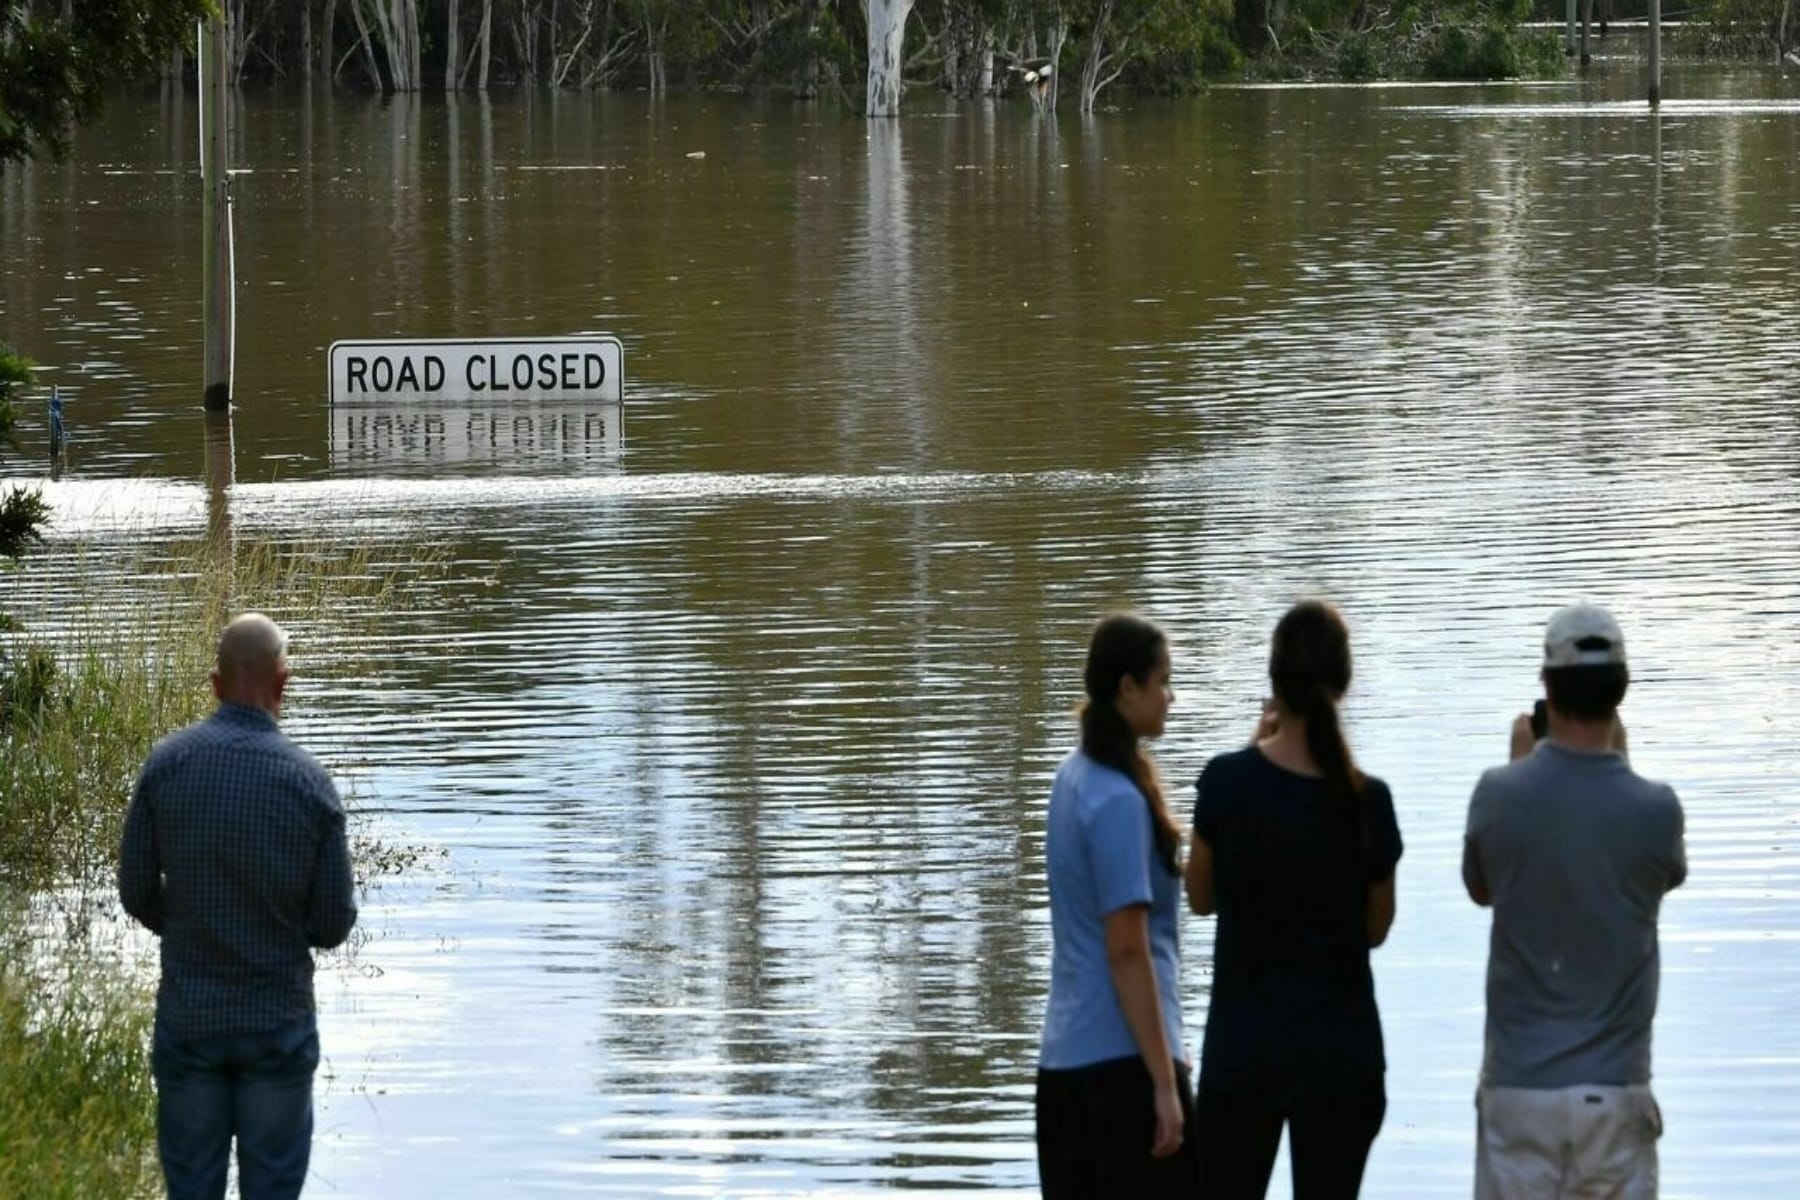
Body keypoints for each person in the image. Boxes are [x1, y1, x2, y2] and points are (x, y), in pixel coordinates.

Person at [119, 612, 357, 1200]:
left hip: (191, 1020)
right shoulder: (310, 784)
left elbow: (135, 890)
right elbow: (331, 925)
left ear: (215, 684)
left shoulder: (166, 766)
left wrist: (186, 921)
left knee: (191, 1190)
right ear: (283, 685)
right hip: (277, 1026)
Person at [1463, 603, 1686, 1199]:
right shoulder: (1657, 809)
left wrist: (1519, 768)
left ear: (1546, 687)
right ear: (1621, 693)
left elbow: (1483, 887)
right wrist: (1621, 762)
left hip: (1518, 1092)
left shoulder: (1496, 794)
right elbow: (1658, 878)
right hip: (1616, 1094)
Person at [1186, 599, 1402, 1199]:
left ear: (1274, 681)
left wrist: (1251, 752)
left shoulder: (1226, 782)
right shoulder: (1369, 801)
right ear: (1344, 680)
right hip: (1342, 1055)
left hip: (1243, 1055)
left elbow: (1200, 897)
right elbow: (1375, 929)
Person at [1036, 612, 1199, 1197]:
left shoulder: (1070, 779)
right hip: (1123, 1070)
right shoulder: (1117, 799)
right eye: (1162, 680)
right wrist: (1164, 1083)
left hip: (1062, 1067)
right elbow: (1128, 951)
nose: (1170, 696)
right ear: (1128, 687)